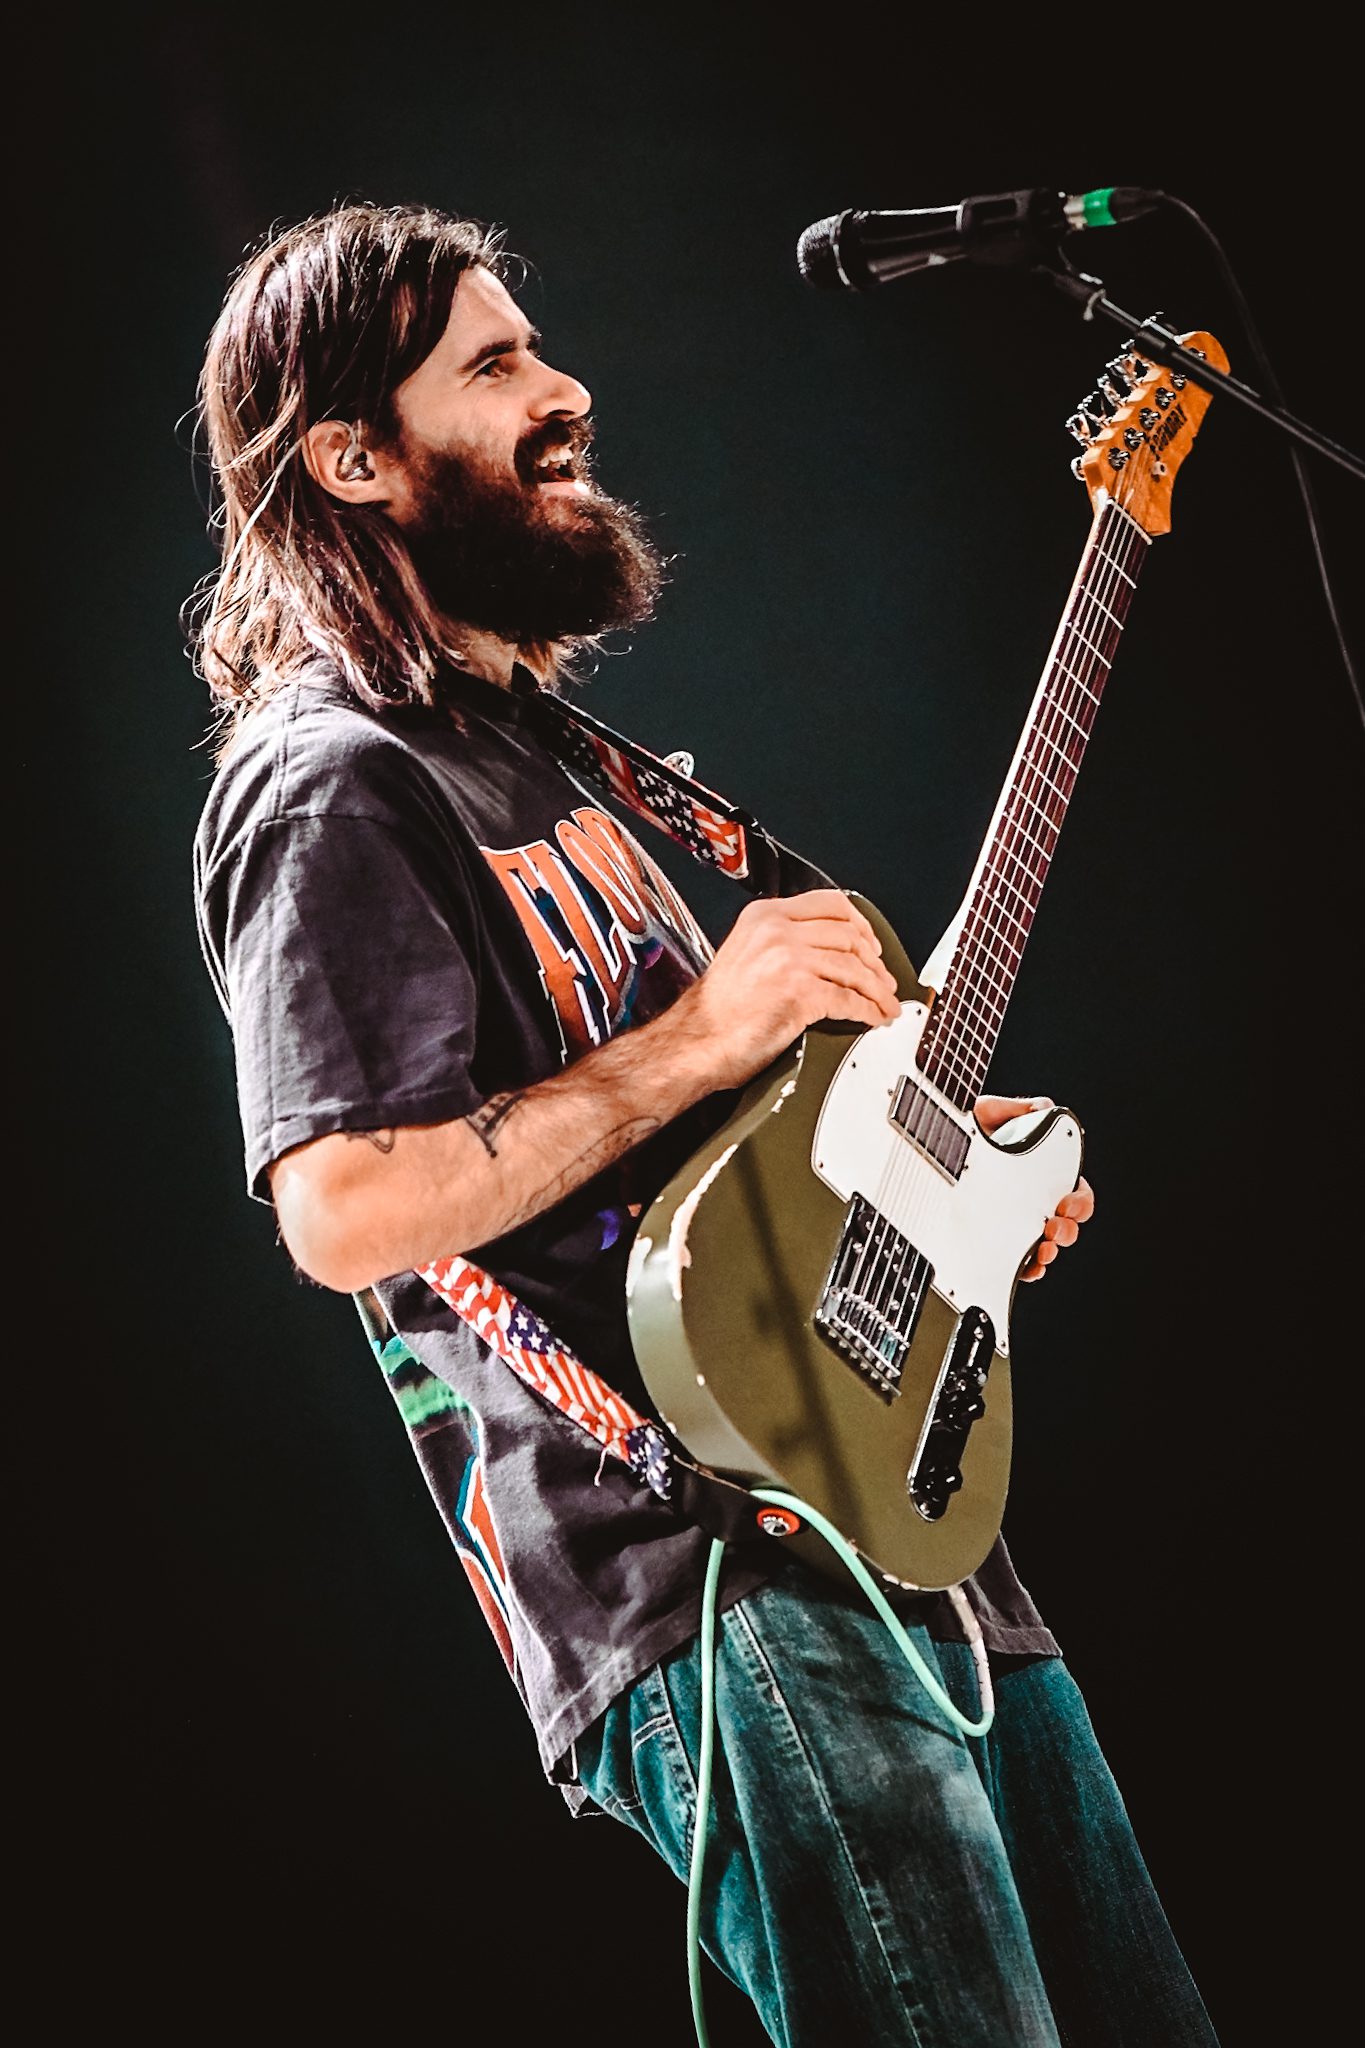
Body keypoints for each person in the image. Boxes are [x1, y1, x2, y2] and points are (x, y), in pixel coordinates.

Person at [190, 201, 1217, 2047]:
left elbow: (705, 1142)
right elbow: (343, 1206)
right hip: (704, 1566)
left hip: (907, 1526)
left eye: (537, 345)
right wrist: (698, 1036)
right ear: (352, 459)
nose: (565, 390)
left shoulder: (560, 760)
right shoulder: (335, 781)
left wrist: (936, 1183)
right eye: (493, 366)